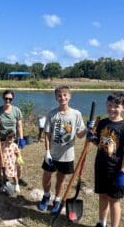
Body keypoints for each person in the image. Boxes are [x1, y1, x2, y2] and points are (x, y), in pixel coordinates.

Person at [86, 92, 124, 227]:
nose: (112, 109)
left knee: (114, 200)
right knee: (102, 197)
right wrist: (91, 137)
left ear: (123, 107)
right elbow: (100, 142)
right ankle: (101, 224)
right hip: (101, 166)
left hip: (116, 170)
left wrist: (123, 172)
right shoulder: (103, 123)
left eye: (116, 106)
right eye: (109, 105)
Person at [38, 85, 93, 213]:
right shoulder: (52, 114)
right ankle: (46, 196)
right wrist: (47, 152)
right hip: (52, 154)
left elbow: (80, 135)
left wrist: (88, 129)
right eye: (59, 95)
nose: (62, 97)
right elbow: (47, 134)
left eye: (64, 95)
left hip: (67, 155)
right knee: (46, 176)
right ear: (56, 98)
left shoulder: (76, 114)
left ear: (69, 96)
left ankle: (57, 199)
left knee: (61, 178)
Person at [0, 90, 27, 188]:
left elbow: (20, 125)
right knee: (0, 161)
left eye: (10, 99)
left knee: (18, 161)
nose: (8, 100)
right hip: (1, 140)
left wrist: (21, 139)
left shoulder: (16, 110)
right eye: (6, 98)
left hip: (13, 140)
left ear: (12, 99)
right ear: (3, 98)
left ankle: (17, 179)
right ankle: (1, 180)